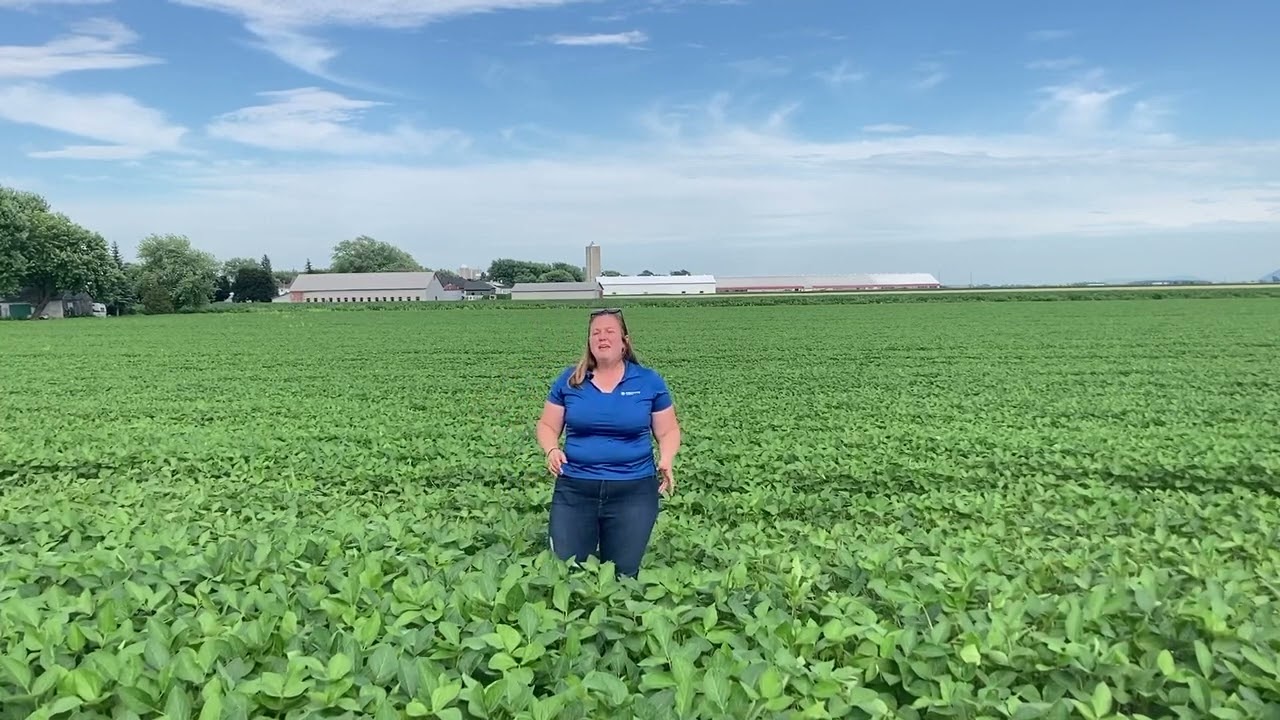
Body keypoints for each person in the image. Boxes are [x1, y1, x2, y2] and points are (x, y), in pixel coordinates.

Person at [535, 307, 681, 578]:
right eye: (596, 333)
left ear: (625, 341)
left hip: (633, 492)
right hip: (575, 490)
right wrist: (551, 449)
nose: (602, 337)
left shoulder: (648, 381)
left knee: (623, 575)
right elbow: (547, 425)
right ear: (589, 342)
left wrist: (666, 458)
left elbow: (668, 430)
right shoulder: (570, 380)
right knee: (569, 571)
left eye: (609, 331)